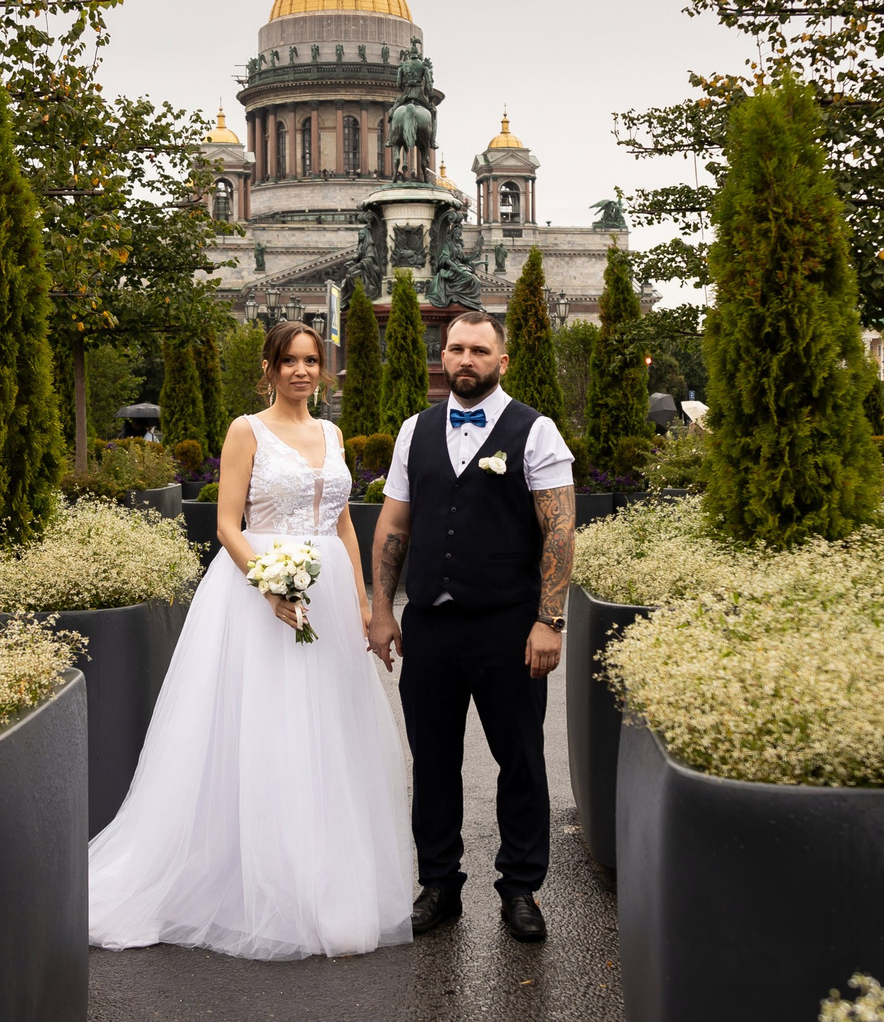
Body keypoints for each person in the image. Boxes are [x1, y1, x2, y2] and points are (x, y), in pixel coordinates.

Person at [86, 321, 415, 960]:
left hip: (325, 592)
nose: (300, 371)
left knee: (329, 736)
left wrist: (361, 597)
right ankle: (261, 885)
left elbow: (344, 523)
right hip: (255, 592)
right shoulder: (247, 430)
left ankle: (324, 879)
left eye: (311, 360)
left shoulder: (333, 433)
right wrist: (268, 585)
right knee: (266, 732)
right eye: (288, 360)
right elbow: (225, 524)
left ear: (322, 369)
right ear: (268, 368)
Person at [365, 311, 576, 944]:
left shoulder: (535, 431)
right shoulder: (415, 430)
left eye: (479, 350)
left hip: (509, 626)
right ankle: (439, 884)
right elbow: (394, 523)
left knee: (520, 760)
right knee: (431, 761)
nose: (464, 359)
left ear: (500, 361)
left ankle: (520, 888)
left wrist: (550, 620)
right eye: (455, 347)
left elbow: (560, 530)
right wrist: (382, 610)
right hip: (429, 621)